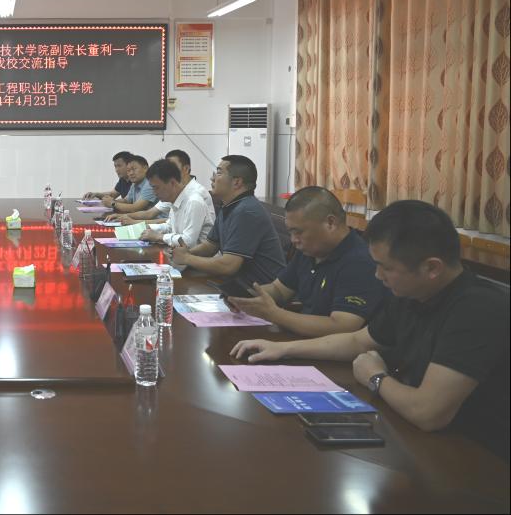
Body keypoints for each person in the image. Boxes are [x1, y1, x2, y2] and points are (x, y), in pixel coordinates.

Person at [232, 201, 509, 460]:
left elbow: (428, 412)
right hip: (417, 437)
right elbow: (358, 341)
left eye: (385, 267)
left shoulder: (478, 309)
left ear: (431, 268)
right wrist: (283, 348)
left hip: (478, 458)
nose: (377, 276)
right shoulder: (412, 293)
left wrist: (376, 377)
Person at [227, 186, 388, 337]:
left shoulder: (359, 261)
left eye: (298, 232)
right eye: (290, 233)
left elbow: (342, 326)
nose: (293, 240)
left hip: (335, 352)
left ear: (330, 223)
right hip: (303, 340)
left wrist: (275, 314)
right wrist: (246, 298)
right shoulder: (310, 250)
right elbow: (279, 290)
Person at [170, 155, 286, 286]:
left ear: (237, 182)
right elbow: (210, 246)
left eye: (219, 173)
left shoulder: (246, 211)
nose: (212, 178)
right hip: (238, 284)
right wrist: (186, 253)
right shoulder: (230, 205)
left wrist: (187, 258)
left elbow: (228, 266)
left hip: (261, 290)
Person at [109, 149, 214, 223]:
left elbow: (188, 239)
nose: (168, 170)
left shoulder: (196, 193)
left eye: (172, 166)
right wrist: (122, 216)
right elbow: (151, 214)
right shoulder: (175, 190)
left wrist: (134, 222)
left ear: (186, 169)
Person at [131, 159, 215, 249]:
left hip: (199, 256)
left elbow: (188, 242)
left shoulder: (193, 202)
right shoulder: (174, 200)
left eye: (156, 187)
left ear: (172, 183)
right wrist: (148, 228)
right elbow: (169, 227)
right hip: (181, 254)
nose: (154, 193)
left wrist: (159, 237)